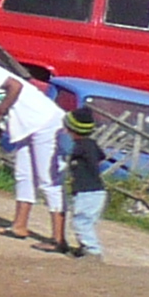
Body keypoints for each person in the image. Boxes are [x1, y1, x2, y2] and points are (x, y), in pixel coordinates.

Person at [0, 57, 65, 242]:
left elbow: (15, 87)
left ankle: (58, 238)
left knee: (48, 178)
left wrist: (1, 108)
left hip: (43, 122)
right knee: (24, 175)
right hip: (24, 129)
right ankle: (19, 225)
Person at [60, 109, 109, 259]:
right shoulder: (91, 144)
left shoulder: (79, 146)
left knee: (81, 222)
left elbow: (66, 150)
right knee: (85, 221)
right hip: (96, 191)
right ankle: (84, 248)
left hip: (87, 191)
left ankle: (93, 251)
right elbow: (101, 156)